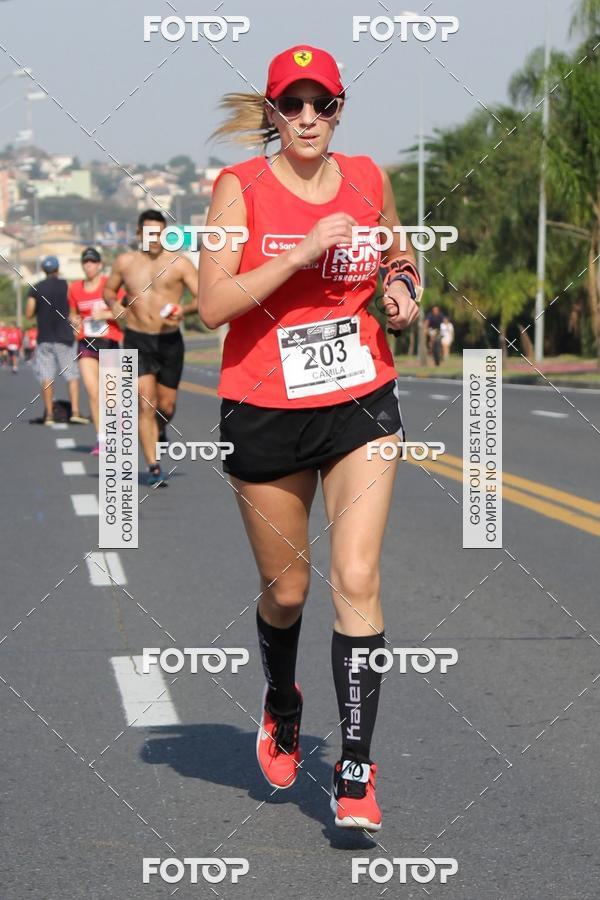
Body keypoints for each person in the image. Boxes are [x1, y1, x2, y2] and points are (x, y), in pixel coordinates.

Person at [199, 45, 422, 832]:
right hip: (265, 406)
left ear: (338, 109)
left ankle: (356, 770)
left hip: (361, 395)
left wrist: (399, 288)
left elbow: (399, 248)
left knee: (356, 578)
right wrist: (298, 253)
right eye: (290, 105)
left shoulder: (367, 177)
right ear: (272, 113)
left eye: (319, 103)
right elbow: (213, 303)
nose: (305, 118)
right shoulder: (241, 187)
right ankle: (283, 701)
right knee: (288, 591)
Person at [104, 210, 198, 486]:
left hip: (169, 340)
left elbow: (202, 297)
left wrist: (185, 309)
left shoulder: (180, 264)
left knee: (166, 407)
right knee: (146, 404)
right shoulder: (125, 263)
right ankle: (153, 466)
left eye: (159, 233)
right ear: (138, 234)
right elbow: (109, 291)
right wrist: (115, 305)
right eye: (149, 233)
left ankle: (159, 430)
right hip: (136, 339)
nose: (154, 238)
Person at [68, 247, 122, 454]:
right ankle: (101, 440)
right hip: (86, 343)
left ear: (99, 265)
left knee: (111, 394)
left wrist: (106, 314)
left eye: (92, 262)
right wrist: (73, 320)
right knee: (93, 393)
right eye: (85, 262)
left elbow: (125, 313)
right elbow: (72, 313)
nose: (89, 265)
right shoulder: (74, 288)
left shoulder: (109, 286)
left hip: (109, 342)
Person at [25, 256, 89, 425]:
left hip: (44, 338)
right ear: (57, 269)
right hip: (65, 337)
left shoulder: (36, 288)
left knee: (46, 377)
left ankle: (49, 416)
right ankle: (75, 411)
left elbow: (29, 312)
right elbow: (75, 307)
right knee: (71, 375)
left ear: (43, 270)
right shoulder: (66, 286)